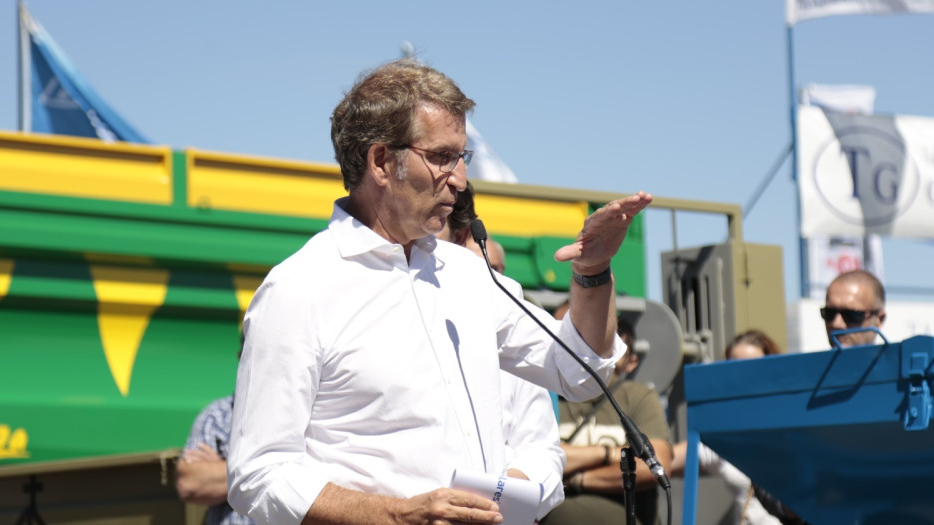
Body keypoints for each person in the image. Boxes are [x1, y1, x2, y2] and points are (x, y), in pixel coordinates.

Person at [227, 59, 652, 525]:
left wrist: (593, 271)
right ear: (382, 162)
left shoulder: (469, 277)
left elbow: (581, 374)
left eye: (461, 157)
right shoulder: (298, 290)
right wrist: (397, 515)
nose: (461, 179)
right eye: (441, 156)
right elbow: (259, 474)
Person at [440, 184, 566, 520]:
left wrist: (503, 490)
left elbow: (544, 452)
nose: (489, 279)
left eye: (497, 270)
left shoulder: (516, 338)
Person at [542, 317, 672, 525]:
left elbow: (654, 466)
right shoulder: (549, 396)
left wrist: (578, 480)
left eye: (613, 345)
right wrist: (609, 454)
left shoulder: (638, 396)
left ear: (631, 362)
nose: (594, 348)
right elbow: (538, 459)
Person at [669, 330, 788, 525]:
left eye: (751, 370)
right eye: (732, 369)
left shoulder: (792, 429)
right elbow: (665, 460)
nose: (740, 380)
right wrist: (611, 455)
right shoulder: (725, 433)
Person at [176, 342, 254, 525]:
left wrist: (220, 469)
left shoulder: (309, 414)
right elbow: (190, 482)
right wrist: (277, 468)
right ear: (241, 355)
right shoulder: (218, 416)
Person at [821, 270, 886, 348]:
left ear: (879, 319)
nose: (836, 324)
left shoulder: (900, 359)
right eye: (829, 313)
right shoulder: (805, 360)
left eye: (852, 315)